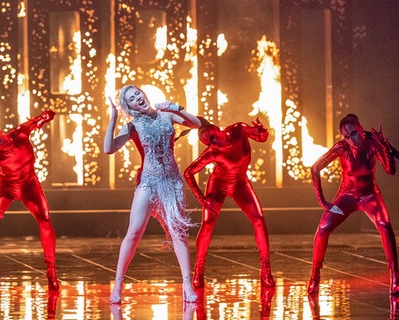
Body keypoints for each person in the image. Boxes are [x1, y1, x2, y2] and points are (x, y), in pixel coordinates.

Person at [104, 85, 201, 304]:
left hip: (172, 182)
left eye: (138, 93)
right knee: (134, 233)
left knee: (178, 232)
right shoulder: (133, 126)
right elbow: (108, 149)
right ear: (128, 106)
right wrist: (112, 119)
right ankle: (117, 285)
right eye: (132, 98)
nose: (138, 97)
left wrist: (176, 107)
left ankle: (187, 284)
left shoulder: (166, 114)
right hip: (148, 184)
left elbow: (196, 124)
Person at [309, 113, 399, 296]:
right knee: (322, 229)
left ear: (361, 129)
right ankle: (315, 275)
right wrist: (323, 202)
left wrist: (385, 147)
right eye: (346, 136)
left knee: (385, 226)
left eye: (353, 133)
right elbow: (315, 168)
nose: (351, 139)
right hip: (346, 197)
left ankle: (395, 276)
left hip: (370, 196)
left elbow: (391, 170)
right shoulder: (342, 147)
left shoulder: (372, 144)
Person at [0, 110, 59, 292]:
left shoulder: (21, 132)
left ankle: (51, 272)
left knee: (45, 220)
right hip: (5, 188)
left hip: (30, 185)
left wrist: (45, 116)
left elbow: (41, 118)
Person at [184, 118, 276, 289]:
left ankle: (265, 270)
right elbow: (188, 172)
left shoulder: (238, 130)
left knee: (259, 220)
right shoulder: (212, 152)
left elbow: (262, 138)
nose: (212, 144)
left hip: (240, 183)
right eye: (207, 143)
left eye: (211, 138)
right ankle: (198, 271)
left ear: (217, 129)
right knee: (208, 223)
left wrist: (262, 130)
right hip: (218, 185)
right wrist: (202, 200)